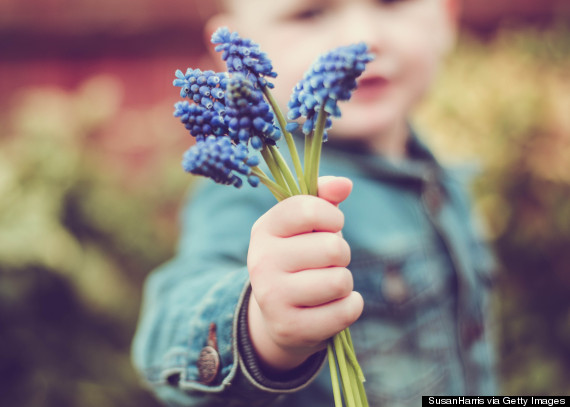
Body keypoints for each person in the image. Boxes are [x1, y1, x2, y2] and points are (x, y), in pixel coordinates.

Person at [132, 0, 498, 405]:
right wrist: (260, 328)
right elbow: (171, 319)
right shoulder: (257, 191)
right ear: (230, 55)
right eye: (309, 13)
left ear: (446, 17)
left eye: (391, 2)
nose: (363, 38)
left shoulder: (436, 169)